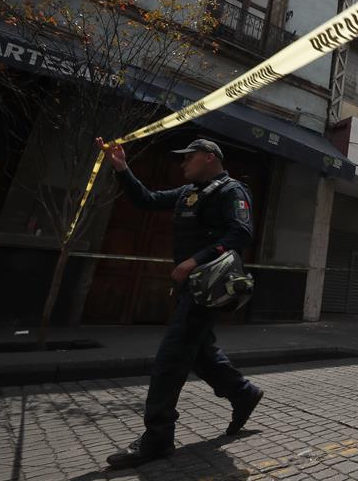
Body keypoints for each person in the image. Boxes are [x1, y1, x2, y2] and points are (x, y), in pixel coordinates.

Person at [98, 138, 263, 470]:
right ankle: (243, 393)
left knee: (171, 359)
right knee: (201, 354)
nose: (182, 163)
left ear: (208, 157)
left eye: (188, 157)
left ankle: (157, 439)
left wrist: (194, 260)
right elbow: (146, 200)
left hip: (208, 287)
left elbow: (241, 233)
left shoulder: (232, 191)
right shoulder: (190, 192)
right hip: (190, 289)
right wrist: (122, 169)